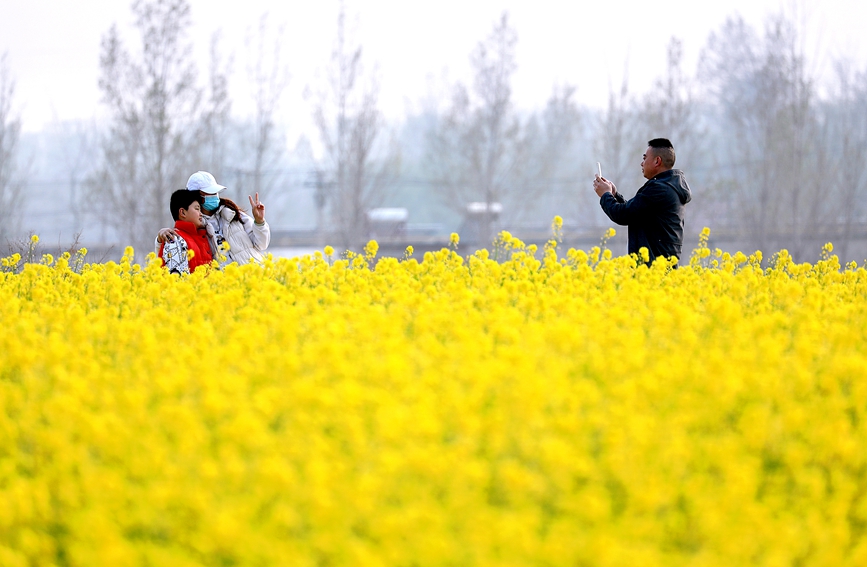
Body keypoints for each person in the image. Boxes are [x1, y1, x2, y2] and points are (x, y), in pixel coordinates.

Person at [593, 138, 692, 264]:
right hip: (661, 268)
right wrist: (614, 195)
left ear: (657, 161)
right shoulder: (670, 187)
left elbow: (623, 215)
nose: (642, 163)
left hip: (653, 269)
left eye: (645, 158)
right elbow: (636, 212)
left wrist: (605, 195)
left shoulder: (659, 189)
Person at [156, 171, 271, 267]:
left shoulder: (232, 213)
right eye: (210, 193)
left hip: (254, 274)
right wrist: (160, 238)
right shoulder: (195, 225)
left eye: (216, 192)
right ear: (196, 196)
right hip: (226, 285)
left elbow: (261, 244)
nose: (215, 196)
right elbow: (172, 250)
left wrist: (259, 222)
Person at [159, 190, 213, 274]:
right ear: (183, 212)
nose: (201, 214)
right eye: (197, 209)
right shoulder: (174, 239)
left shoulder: (202, 237)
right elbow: (176, 279)